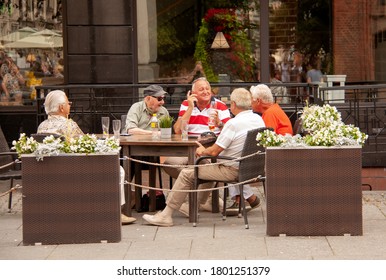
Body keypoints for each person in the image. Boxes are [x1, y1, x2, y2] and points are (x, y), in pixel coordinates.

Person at [142, 88, 265, 227]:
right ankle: (194, 206)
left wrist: (202, 150)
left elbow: (214, 151)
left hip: (232, 168)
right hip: (252, 168)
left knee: (187, 173)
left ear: (234, 104)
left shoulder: (234, 123)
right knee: (204, 165)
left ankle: (166, 215)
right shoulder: (258, 119)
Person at [37, 90, 136, 225]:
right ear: (61, 107)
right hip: (73, 171)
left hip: (50, 172)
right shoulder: (68, 124)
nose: (70, 105)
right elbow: (85, 145)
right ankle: (116, 212)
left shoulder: (42, 126)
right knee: (118, 170)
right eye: (68, 103)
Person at [163, 77, 231, 215]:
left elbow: (229, 132)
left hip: (209, 150)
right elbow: (177, 130)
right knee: (169, 163)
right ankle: (205, 197)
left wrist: (219, 123)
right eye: (201, 89)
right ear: (193, 93)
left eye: (207, 89)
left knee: (200, 168)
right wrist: (190, 108)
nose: (206, 92)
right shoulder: (186, 104)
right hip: (187, 149)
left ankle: (193, 202)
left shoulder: (220, 106)